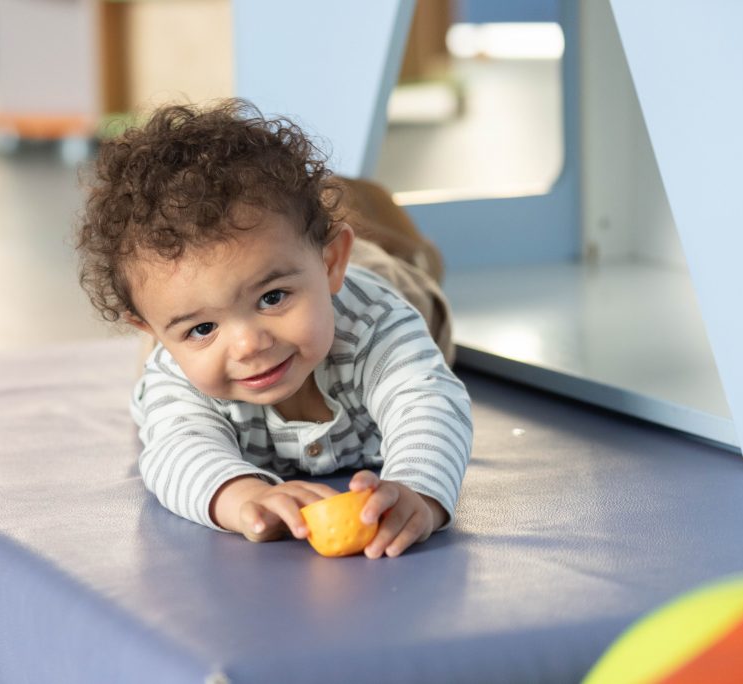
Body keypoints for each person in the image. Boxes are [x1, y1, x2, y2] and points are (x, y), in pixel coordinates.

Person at [77, 99, 472, 559]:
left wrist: (418, 491)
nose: (248, 344)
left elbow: (429, 403)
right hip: (258, 285)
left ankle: (369, 214)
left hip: (377, 276)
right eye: (203, 328)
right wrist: (244, 497)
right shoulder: (177, 373)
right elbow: (174, 452)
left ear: (331, 263)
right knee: (163, 372)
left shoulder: (376, 324)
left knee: (403, 267)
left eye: (272, 298)